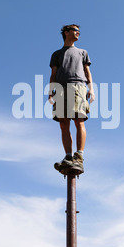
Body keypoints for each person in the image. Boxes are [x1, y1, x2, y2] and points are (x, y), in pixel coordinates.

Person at [48, 24, 95, 174]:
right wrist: (51, 91)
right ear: (66, 32)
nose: (78, 33)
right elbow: (53, 73)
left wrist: (91, 89)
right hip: (61, 88)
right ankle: (68, 156)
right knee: (63, 123)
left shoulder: (82, 52)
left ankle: (79, 155)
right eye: (75, 30)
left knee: (78, 119)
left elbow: (88, 72)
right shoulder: (56, 54)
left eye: (79, 31)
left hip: (78, 86)